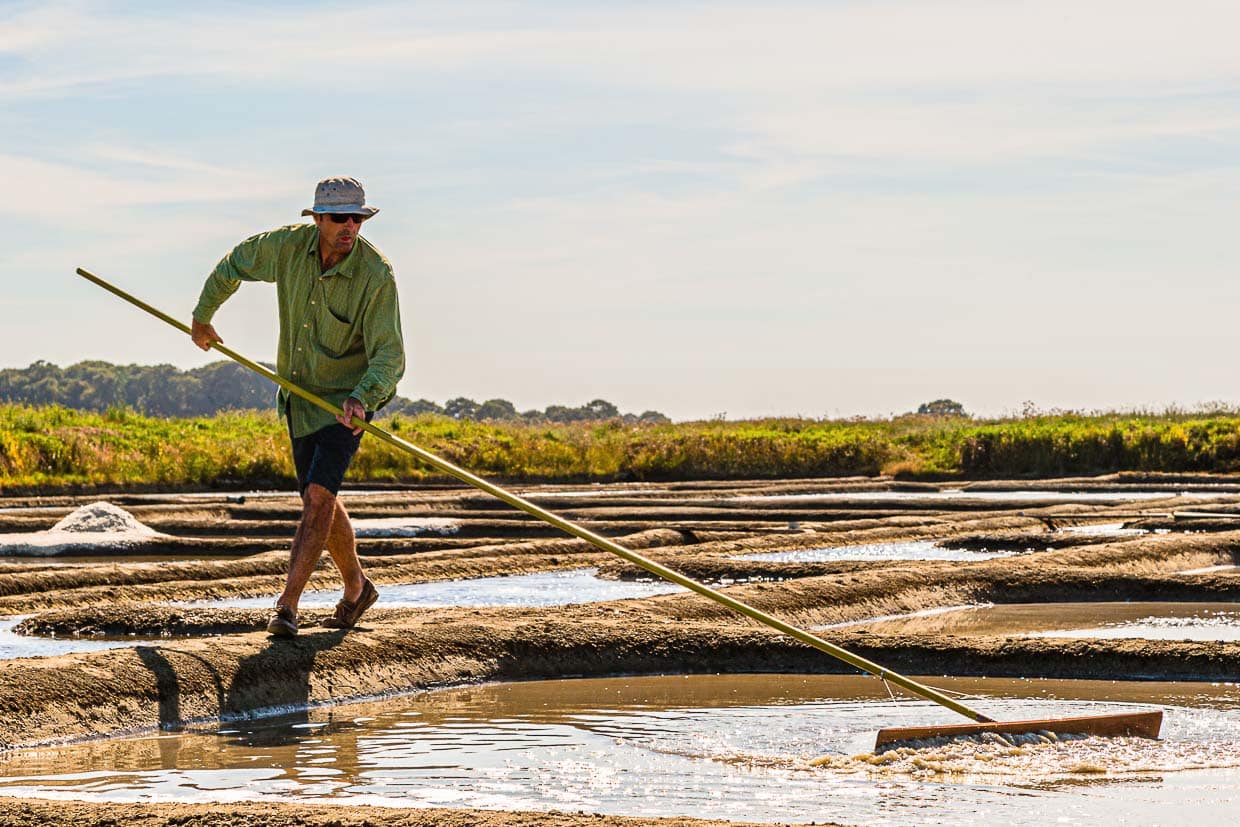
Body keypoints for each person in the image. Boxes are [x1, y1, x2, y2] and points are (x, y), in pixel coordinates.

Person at [190, 176, 405, 637]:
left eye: (357, 218)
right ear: (318, 219)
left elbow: (389, 355)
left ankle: (287, 605)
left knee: (318, 498)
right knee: (318, 496)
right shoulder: (286, 248)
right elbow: (234, 264)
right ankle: (357, 588)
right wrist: (204, 317)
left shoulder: (375, 275)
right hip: (298, 398)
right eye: (339, 218)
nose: (349, 226)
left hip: (347, 402)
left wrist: (362, 398)